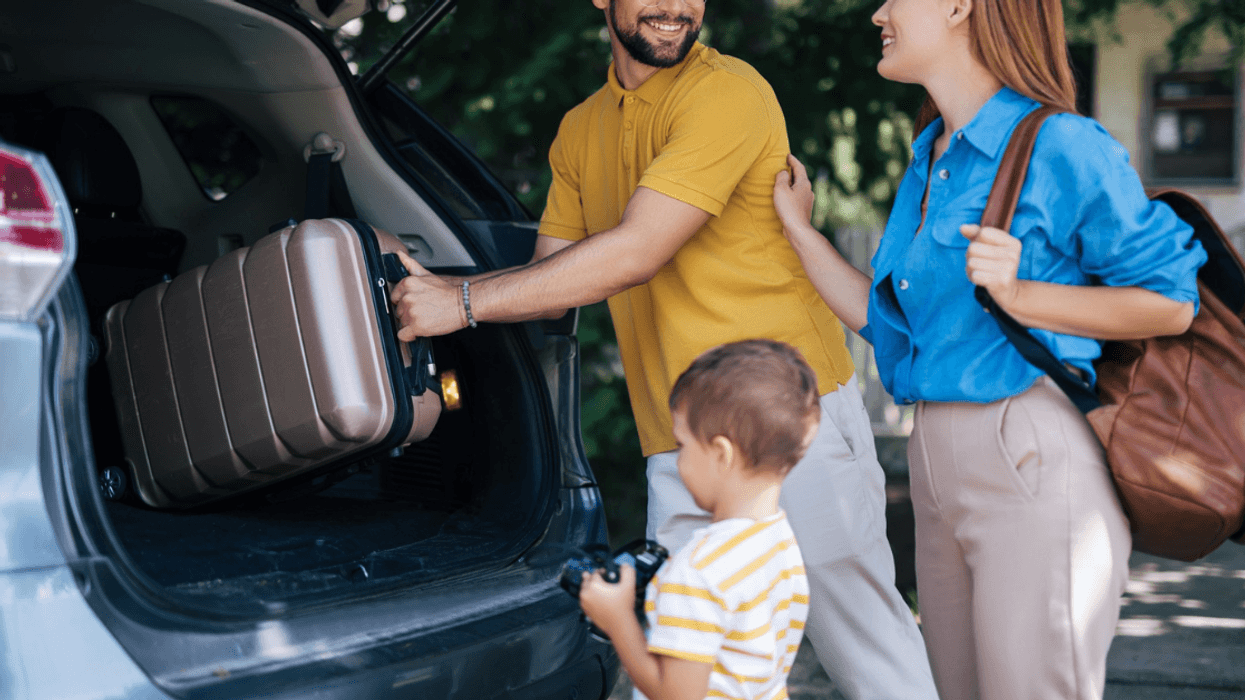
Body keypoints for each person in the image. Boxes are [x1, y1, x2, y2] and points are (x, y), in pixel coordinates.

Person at [388, 0, 939, 697]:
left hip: (789, 423)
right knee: (684, 672)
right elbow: (552, 287)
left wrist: (459, 303)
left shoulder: (728, 92)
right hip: (675, 440)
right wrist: (439, 292)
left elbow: (637, 251)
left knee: (866, 647)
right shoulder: (579, 129)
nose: (677, 6)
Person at [771, 0, 1207, 698]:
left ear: (957, 6)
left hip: (1026, 449)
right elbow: (891, 328)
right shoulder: (931, 155)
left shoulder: (1062, 144)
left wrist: (1021, 294)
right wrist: (801, 234)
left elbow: (1170, 303)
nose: (878, 13)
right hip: (932, 462)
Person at [577, 339, 817, 700]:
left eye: (682, 445)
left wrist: (618, 621)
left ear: (721, 453)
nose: (677, 461)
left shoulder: (696, 572)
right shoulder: (779, 541)